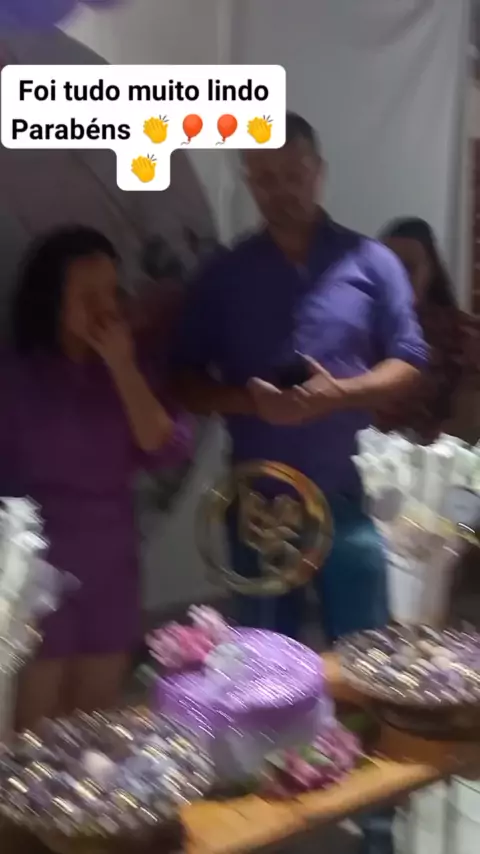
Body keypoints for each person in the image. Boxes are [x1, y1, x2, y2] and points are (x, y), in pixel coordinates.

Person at [174, 111, 428, 643]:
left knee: (363, 653)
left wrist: (339, 395)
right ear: (249, 181)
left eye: (294, 175)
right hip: (259, 503)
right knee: (267, 660)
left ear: (319, 172)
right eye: (266, 178)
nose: (281, 190)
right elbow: (184, 382)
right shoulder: (224, 274)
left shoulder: (372, 262)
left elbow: (409, 360)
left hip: (352, 492)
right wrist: (250, 402)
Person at [0, 226, 191, 731]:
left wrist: (123, 367)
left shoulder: (133, 366)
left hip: (110, 561)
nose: (105, 308)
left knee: (97, 721)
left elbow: (164, 446)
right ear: (51, 301)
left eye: (112, 292)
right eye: (87, 296)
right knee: (34, 725)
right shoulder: (16, 376)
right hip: (36, 565)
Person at [378, 217, 479, 443]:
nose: (397, 278)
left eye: (408, 268)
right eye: (388, 269)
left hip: (436, 458)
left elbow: (468, 427)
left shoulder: (463, 335)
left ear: (430, 272)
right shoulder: (356, 331)